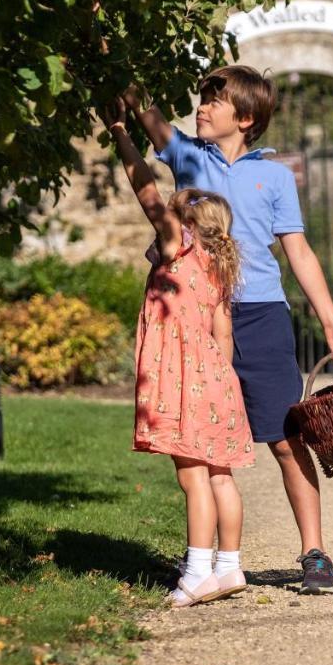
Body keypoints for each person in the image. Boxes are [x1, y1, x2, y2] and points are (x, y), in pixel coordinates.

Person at [123, 66, 333, 594]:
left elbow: (297, 250)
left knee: (284, 438)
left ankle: (314, 552)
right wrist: (106, 50)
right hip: (197, 321)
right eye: (203, 99)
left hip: (260, 316)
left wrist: (330, 321)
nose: (202, 108)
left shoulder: (274, 176)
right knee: (197, 445)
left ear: (247, 118)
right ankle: (210, 563)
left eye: (214, 101)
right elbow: (147, 114)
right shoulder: (189, 156)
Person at [100, 99, 255, 608]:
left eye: (175, 204)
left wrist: (122, 134)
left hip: (186, 378)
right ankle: (229, 567)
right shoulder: (219, 263)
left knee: (192, 478)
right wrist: (226, 383)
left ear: (185, 221)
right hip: (216, 379)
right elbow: (223, 332)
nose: (165, 205)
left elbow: (144, 187)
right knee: (219, 476)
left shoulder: (179, 246)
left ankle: (196, 572)